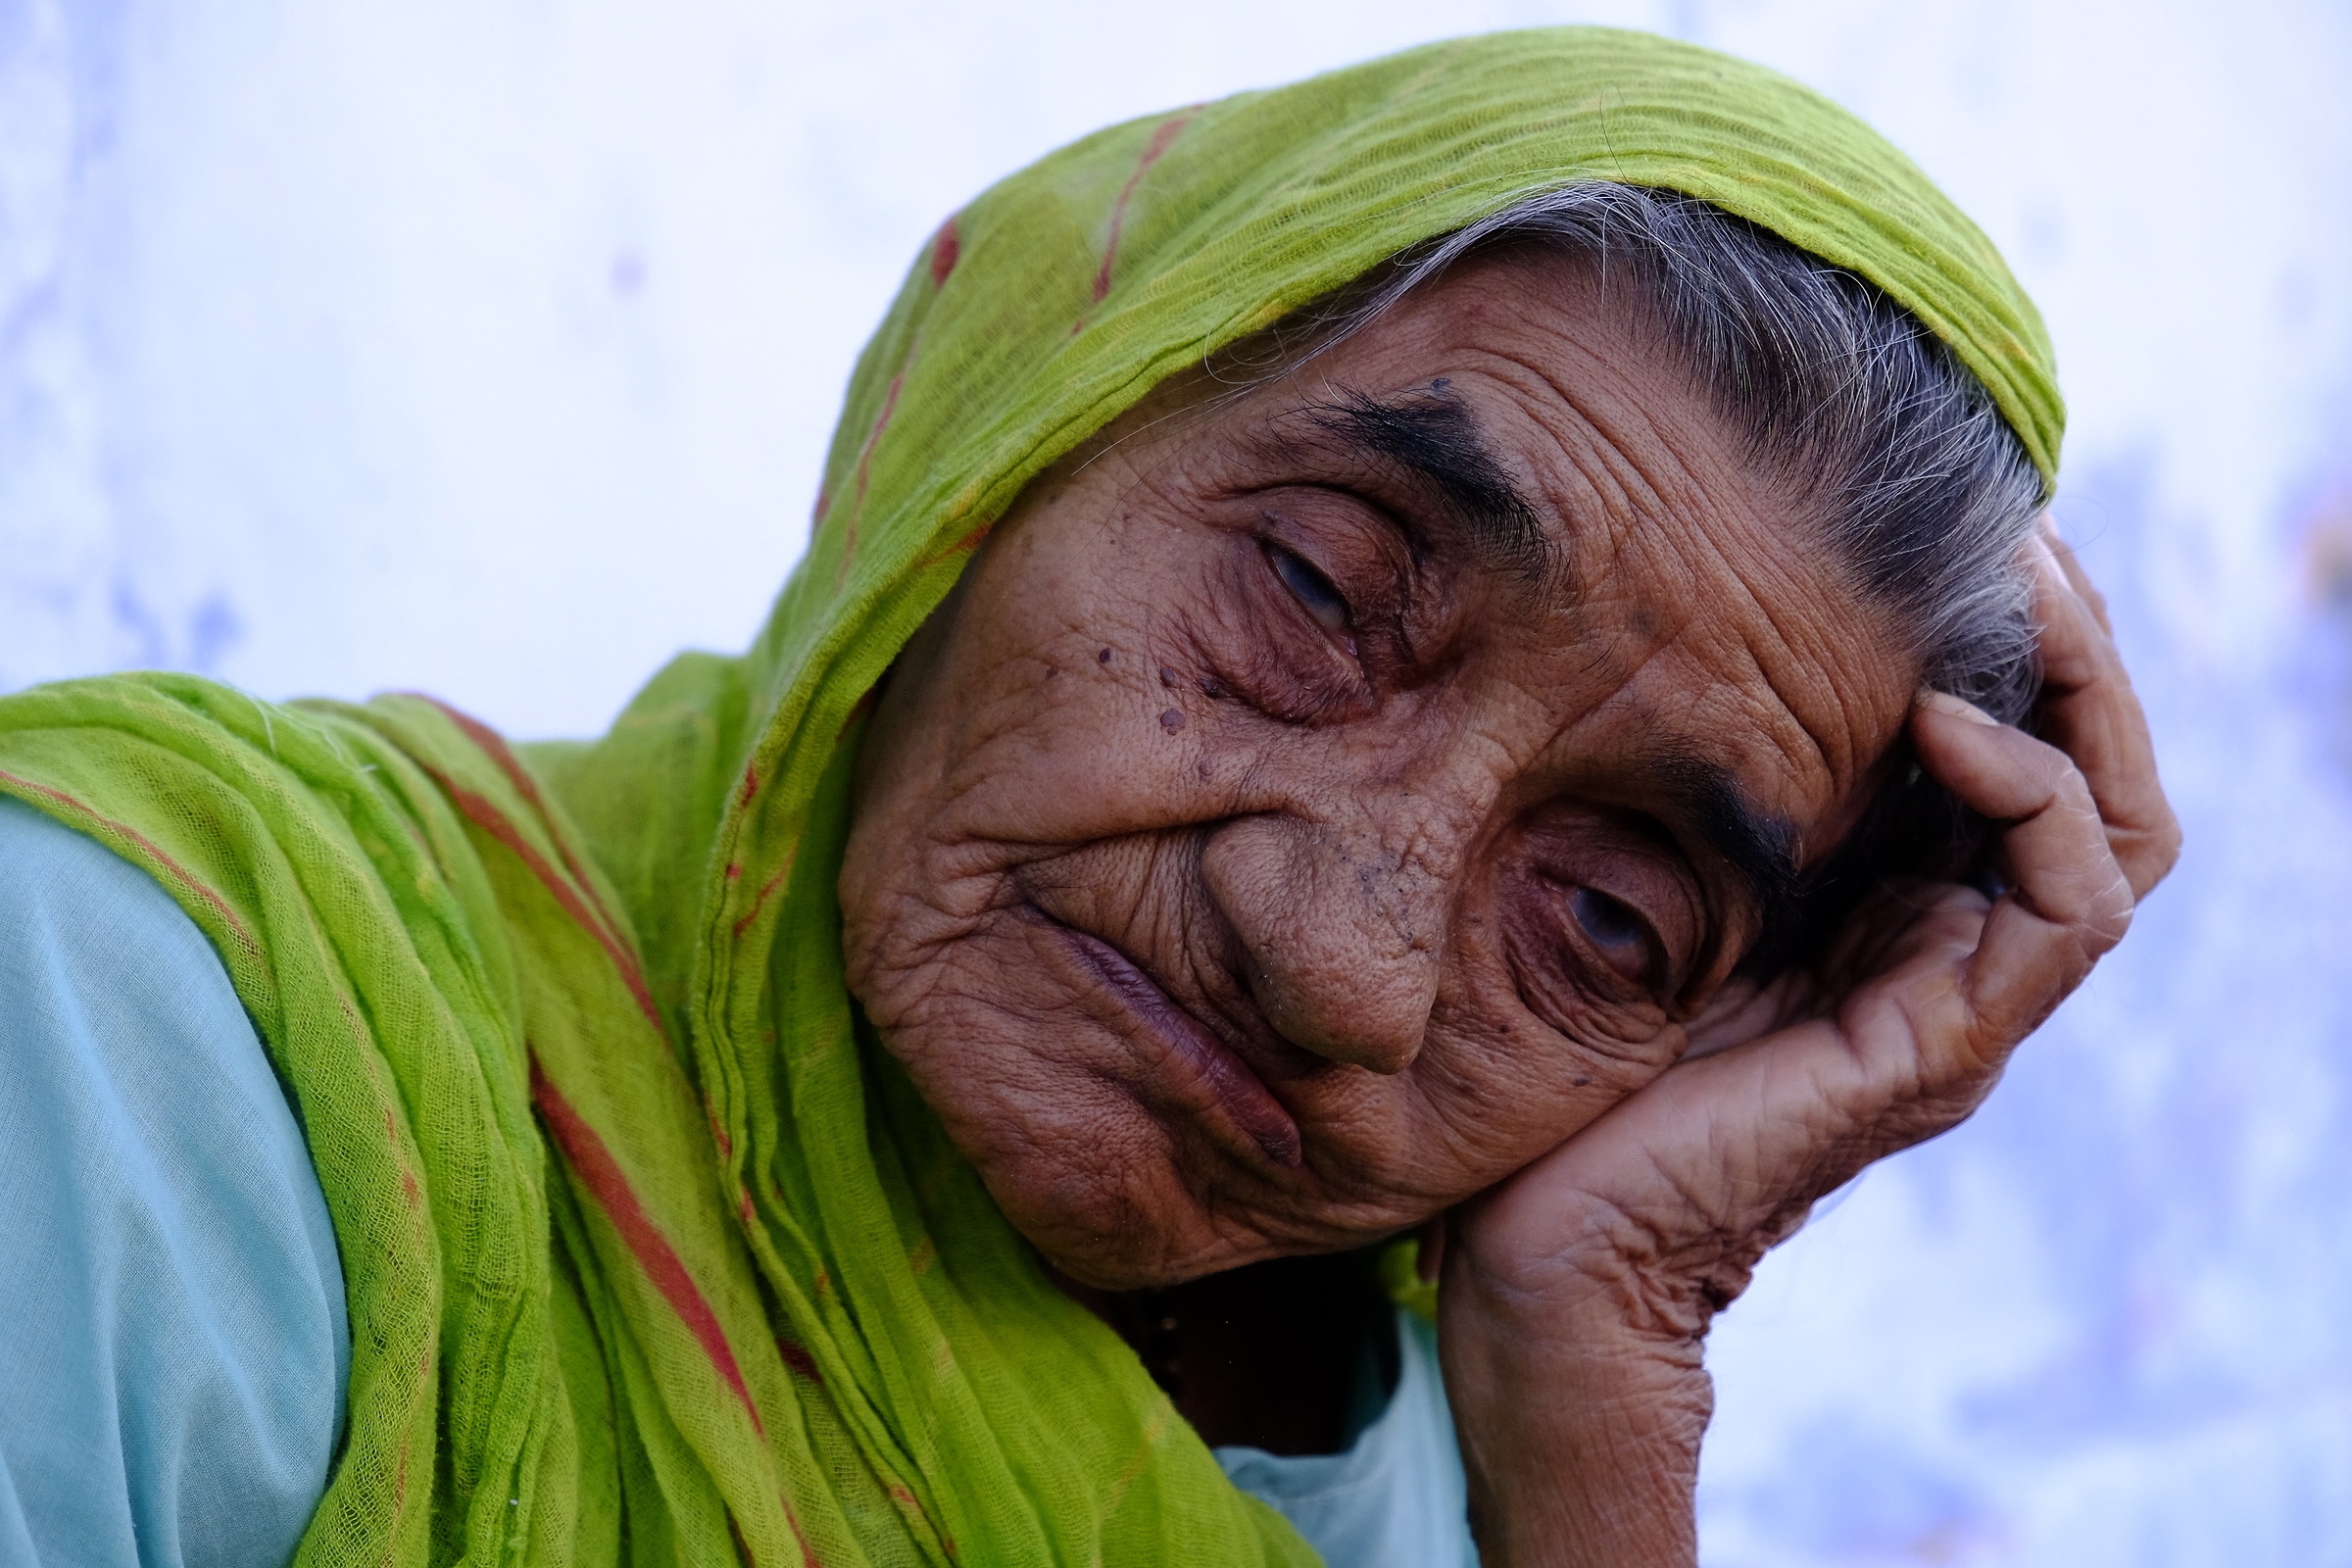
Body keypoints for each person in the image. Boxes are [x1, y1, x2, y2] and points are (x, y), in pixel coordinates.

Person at [0, 25, 2177, 1568]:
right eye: (1321, 593)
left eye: (1610, 921)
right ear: (1012, 420)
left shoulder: (1454, 1434)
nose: (1346, 952)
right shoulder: (151, 1055)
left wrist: (1609, 1373)